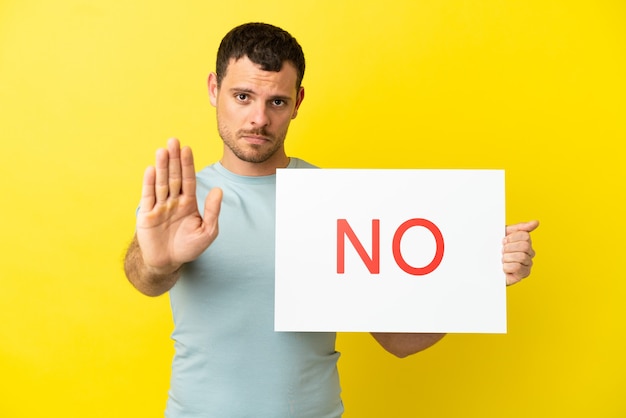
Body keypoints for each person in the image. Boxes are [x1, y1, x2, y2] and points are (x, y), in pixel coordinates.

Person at [123, 22, 539, 418]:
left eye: (277, 102)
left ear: (297, 102)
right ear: (215, 90)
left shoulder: (336, 201)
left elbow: (399, 341)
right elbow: (145, 277)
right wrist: (159, 262)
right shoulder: (180, 199)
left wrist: (479, 279)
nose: (259, 119)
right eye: (243, 97)